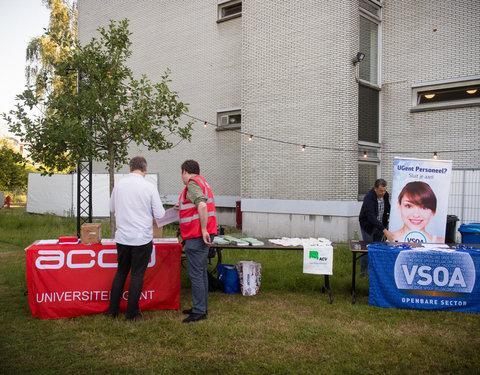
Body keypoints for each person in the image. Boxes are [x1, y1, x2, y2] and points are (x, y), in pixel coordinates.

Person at [107, 156, 165, 321]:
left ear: (130, 168)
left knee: (121, 272)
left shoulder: (119, 185)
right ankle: (131, 314)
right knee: (137, 275)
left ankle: (112, 310)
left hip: (123, 237)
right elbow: (160, 214)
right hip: (141, 238)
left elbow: (112, 208)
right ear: (145, 170)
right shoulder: (148, 187)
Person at [175, 160, 217, 323]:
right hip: (202, 235)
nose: (182, 177)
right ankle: (201, 306)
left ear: (185, 171)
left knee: (196, 274)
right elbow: (196, 205)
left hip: (196, 235)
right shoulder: (202, 182)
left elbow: (201, 204)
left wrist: (204, 229)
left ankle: (199, 310)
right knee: (200, 272)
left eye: (181, 174)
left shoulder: (192, 184)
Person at [358, 178, 394, 277]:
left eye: (384, 190)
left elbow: (388, 208)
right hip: (368, 225)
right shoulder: (369, 198)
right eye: (381, 191)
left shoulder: (386, 195)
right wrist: (385, 231)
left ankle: (376, 272)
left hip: (380, 225)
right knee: (368, 248)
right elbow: (371, 217)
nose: (383, 193)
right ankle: (363, 273)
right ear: (375, 189)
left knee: (379, 248)